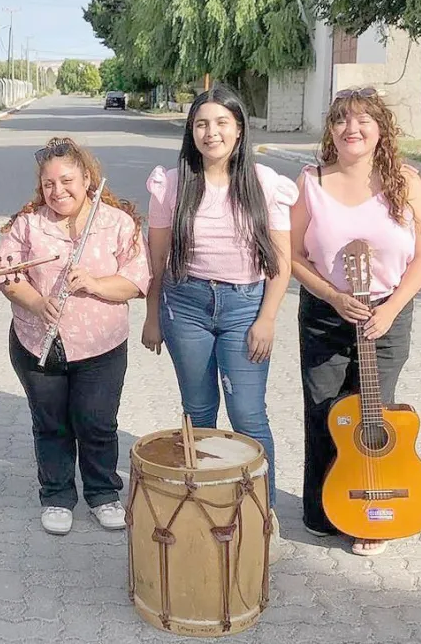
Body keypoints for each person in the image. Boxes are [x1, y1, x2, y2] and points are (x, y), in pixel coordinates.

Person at [140, 83, 297, 522]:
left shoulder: (266, 184)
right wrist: (152, 315)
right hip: (185, 306)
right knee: (199, 412)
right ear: (191, 131)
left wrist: (266, 318)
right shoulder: (170, 185)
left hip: (245, 307)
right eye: (202, 124)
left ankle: (261, 517)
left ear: (240, 129)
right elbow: (156, 260)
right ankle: (205, 513)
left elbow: (281, 265)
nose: (211, 132)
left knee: (248, 413)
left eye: (222, 123)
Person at [289, 87, 421, 557]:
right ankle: (324, 510)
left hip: (387, 313)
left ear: (379, 129)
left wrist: (390, 310)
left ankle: (372, 510)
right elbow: (291, 255)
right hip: (325, 314)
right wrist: (332, 295)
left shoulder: (405, 182)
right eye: (341, 121)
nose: (351, 129)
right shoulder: (311, 181)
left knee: (376, 414)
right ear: (331, 130)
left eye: (362, 120)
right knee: (325, 410)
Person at [0, 137, 151, 535]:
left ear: (87, 179)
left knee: (97, 422)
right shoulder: (28, 224)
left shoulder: (117, 222)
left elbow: (135, 281)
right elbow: (7, 276)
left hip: (101, 345)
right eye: (49, 184)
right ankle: (57, 494)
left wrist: (96, 283)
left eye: (67, 181)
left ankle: (102, 493)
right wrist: (37, 302)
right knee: (50, 424)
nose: (58, 191)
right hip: (37, 342)